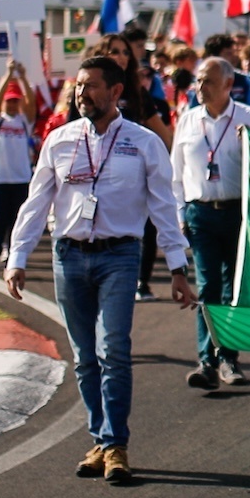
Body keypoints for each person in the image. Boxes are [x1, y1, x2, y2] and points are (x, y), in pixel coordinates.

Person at [7, 55, 195, 485]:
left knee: (114, 350)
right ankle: (99, 440)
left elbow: (164, 208)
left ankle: (116, 444)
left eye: (91, 85)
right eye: (78, 85)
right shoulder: (59, 139)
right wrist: (17, 257)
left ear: (115, 92)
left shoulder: (144, 142)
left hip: (120, 256)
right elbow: (36, 203)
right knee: (85, 357)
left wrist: (178, 266)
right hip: (68, 255)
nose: (81, 93)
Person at [171, 56, 250, 391]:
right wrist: (180, 214)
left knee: (233, 290)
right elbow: (176, 173)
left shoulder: (249, 118)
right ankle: (206, 361)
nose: (200, 87)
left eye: (208, 81)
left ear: (228, 85)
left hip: (238, 212)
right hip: (201, 214)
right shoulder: (188, 121)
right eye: (198, 81)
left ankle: (229, 357)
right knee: (209, 287)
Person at [92, 33, 173, 302]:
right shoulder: (85, 92)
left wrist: (171, 162)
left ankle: (142, 281)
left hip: (135, 172)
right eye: (115, 51)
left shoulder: (139, 93)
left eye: (125, 52)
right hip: (98, 174)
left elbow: (163, 134)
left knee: (147, 226)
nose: (122, 57)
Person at [0, 66, 38, 277]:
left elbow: (32, 104)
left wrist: (24, 78)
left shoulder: (24, 123)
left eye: (16, 100)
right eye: (10, 100)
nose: (13, 104)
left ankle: (11, 253)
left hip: (21, 178)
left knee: (18, 219)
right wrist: (7, 76)